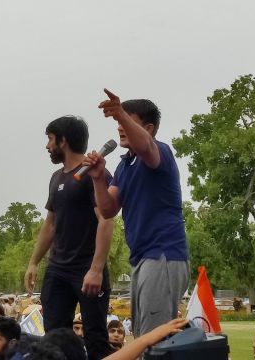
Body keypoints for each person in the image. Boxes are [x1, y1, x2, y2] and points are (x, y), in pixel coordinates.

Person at [83, 89, 189, 337]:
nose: (120, 127)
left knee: (155, 339)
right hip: (143, 258)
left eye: (128, 122)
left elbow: (146, 147)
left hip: (163, 254)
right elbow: (108, 209)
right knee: (143, 336)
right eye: (119, 123)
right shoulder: (124, 165)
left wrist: (119, 113)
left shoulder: (159, 151)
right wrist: (98, 178)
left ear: (148, 128)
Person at [26, 115, 114, 359]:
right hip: (57, 270)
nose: (47, 146)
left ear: (63, 141)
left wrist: (96, 268)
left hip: (86, 269)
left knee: (95, 337)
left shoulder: (94, 173)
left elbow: (106, 221)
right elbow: (50, 224)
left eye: (50, 139)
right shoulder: (57, 177)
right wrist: (34, 262)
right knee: (53, 338)